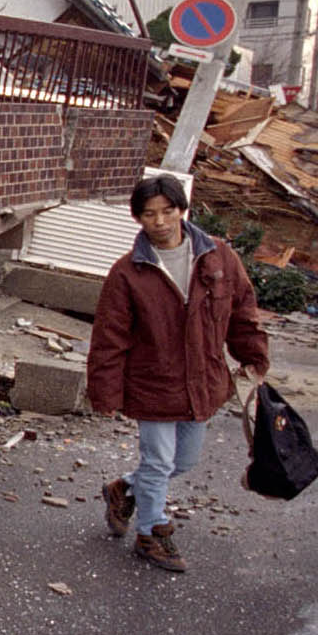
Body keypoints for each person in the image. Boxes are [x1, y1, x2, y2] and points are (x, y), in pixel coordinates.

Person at [85, 173, 269, 573]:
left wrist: (253, 355)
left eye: (168, 211)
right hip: (153, 382)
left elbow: (242, 310)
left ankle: (122, 489)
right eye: (149, 214)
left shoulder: (218, 257)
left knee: (182, 461)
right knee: (157, 462)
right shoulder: (127, 273)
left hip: (203, 380)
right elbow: (109, 338)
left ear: (182, 210)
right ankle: (152, 533)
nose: (160, 221)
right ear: (138, 219)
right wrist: (105, 392)